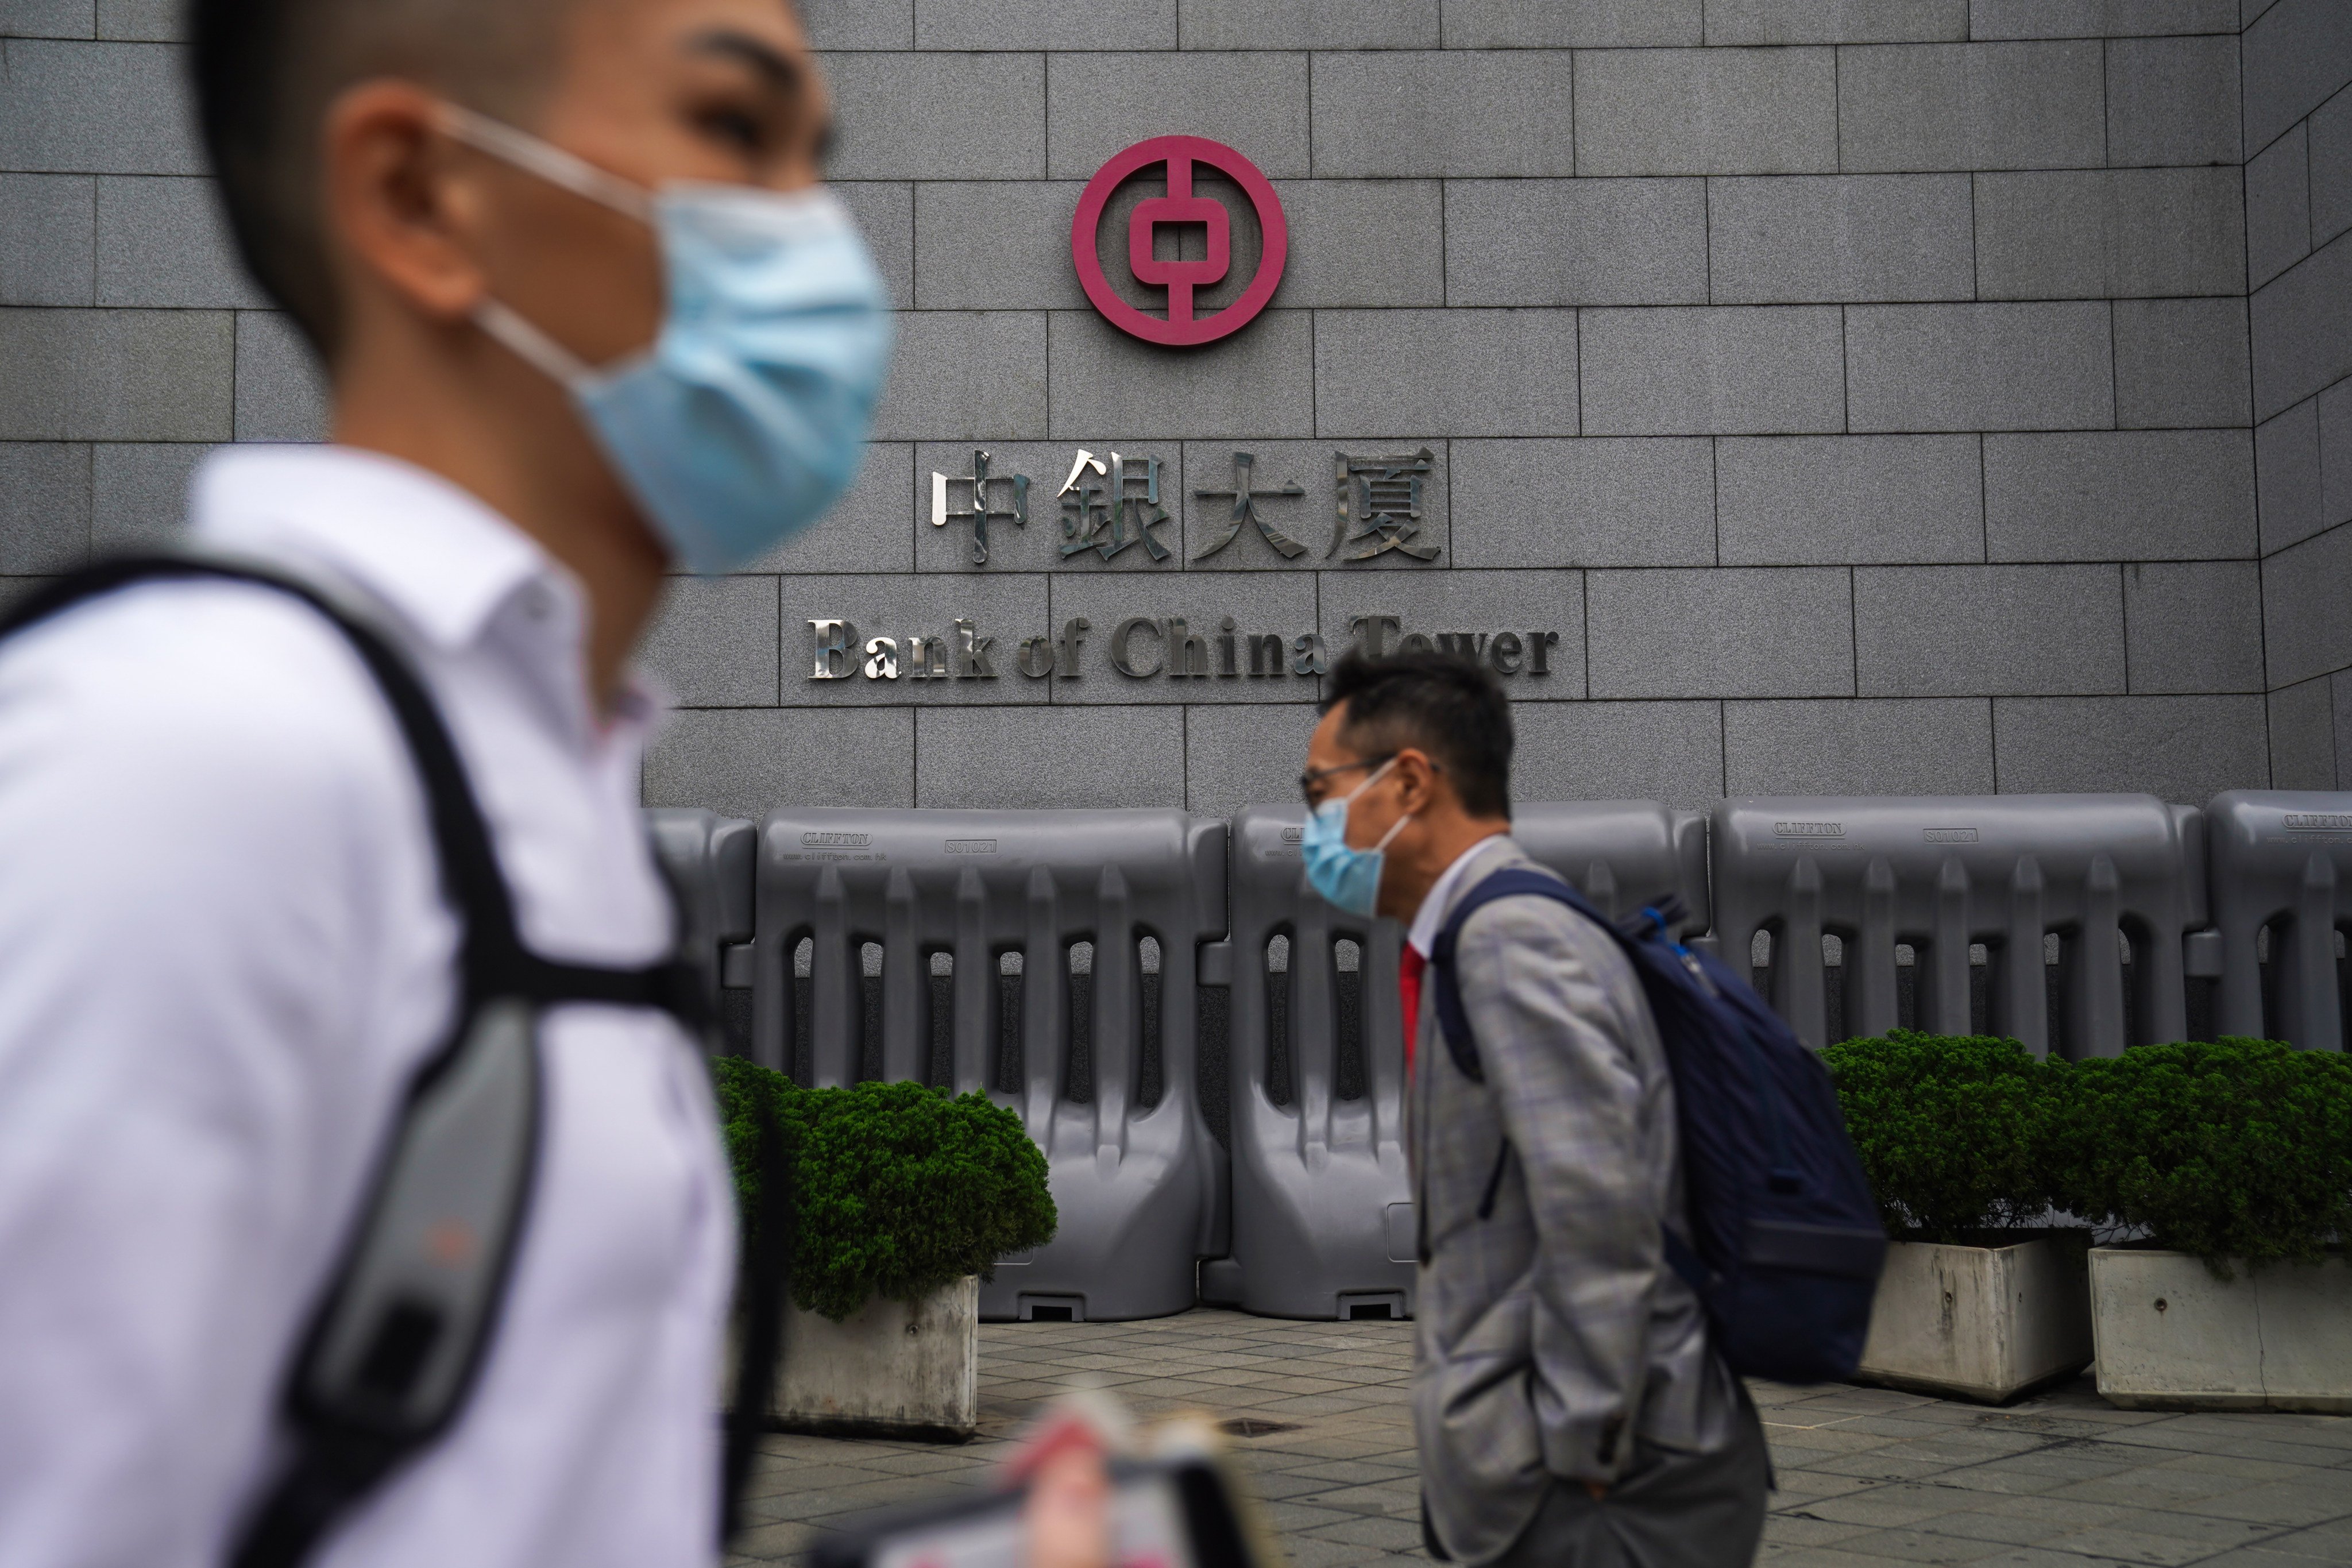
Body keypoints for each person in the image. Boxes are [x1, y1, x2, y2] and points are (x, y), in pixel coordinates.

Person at [0, 0, 904, 1562]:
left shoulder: (535, 763)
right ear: (420, 200)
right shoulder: (193, 755)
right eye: (734, 133)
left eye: (817, 159)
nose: (818, 237)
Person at [1297, 650, 1771, 1568]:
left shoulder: (1510, 940)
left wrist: (1581, 1446)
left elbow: (1599, 1202)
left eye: (1320, 786)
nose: (1313, 819)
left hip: (1606, 1486)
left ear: (1407, 784)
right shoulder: (1486, 928)